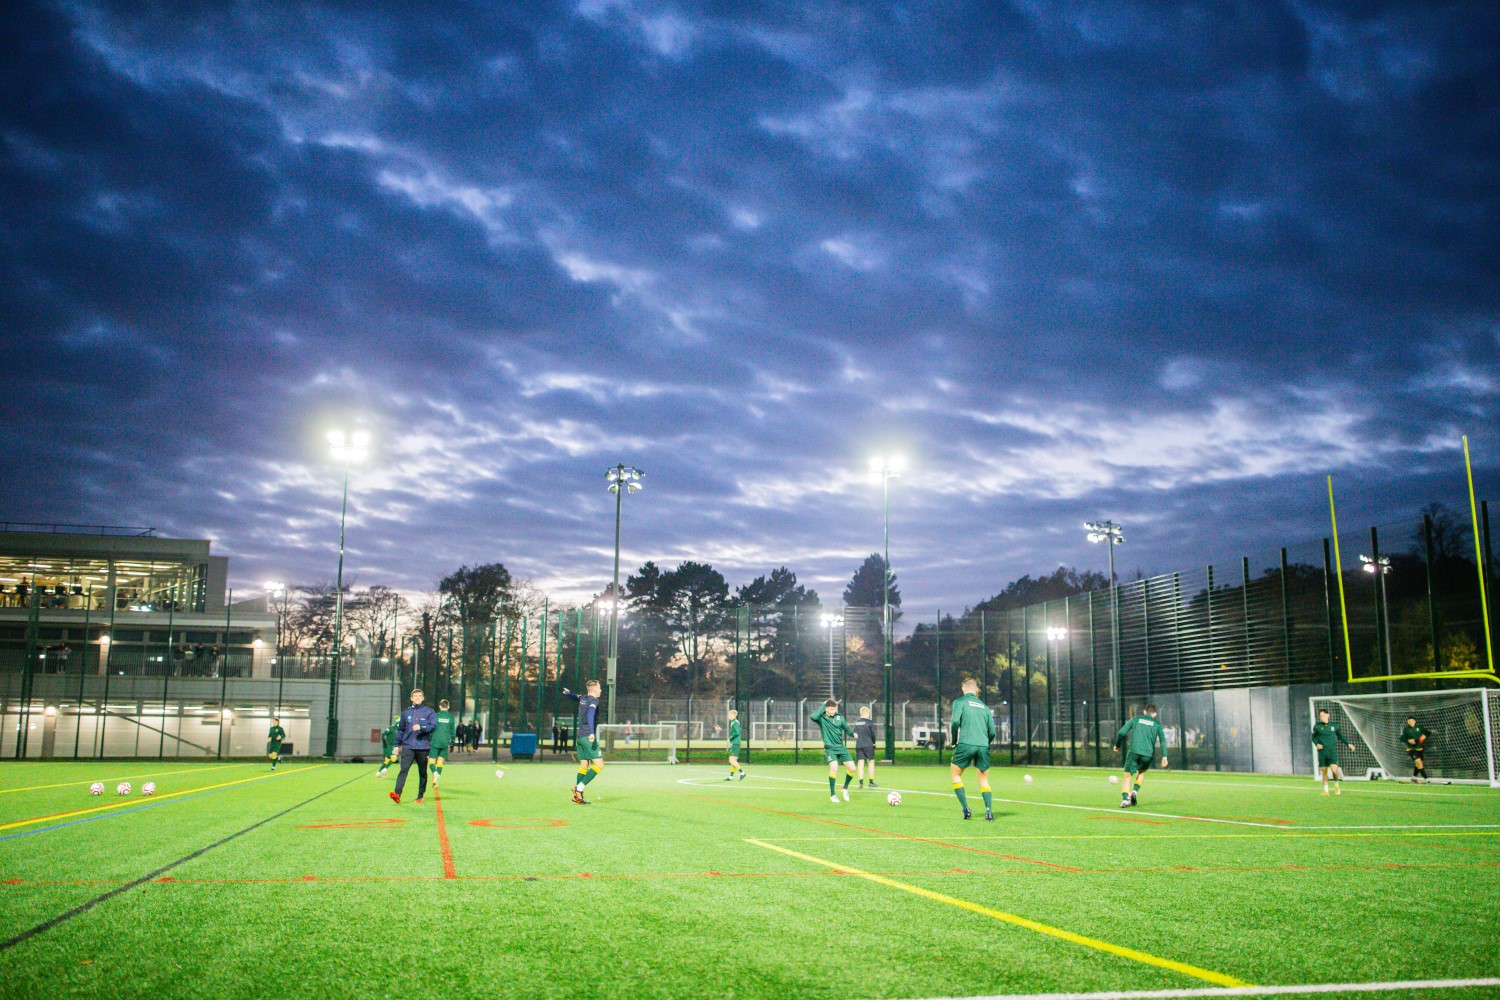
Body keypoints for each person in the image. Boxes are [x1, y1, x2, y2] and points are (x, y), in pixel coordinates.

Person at [950, 679, 997, 820]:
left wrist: (954, 741)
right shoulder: (985, 707)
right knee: (984, 779)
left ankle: (966, 809)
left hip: (966, 743)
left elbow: (955, 722)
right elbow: (992, 732)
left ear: (963, 688)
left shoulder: (960, 702)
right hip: (983, 745)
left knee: (956, 774)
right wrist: (984, 743)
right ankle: (989, 812)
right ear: (977, 690)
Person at [1115, 704, 1167, 809]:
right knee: (1141, 772)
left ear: (1144, 711)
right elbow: (1162, 741)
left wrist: (1117, 745)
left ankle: (1125, 800)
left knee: (1127, 776)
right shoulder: (1157, 724)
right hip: (1147, 754)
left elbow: (1121, 732)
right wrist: (1164, 756)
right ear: (1155, 714)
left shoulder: (1135, 720)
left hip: (1134, 752)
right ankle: (1134, 791)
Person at [390, 689, 436, 805]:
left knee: (422, 772)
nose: (417, 698)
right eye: (415, 696)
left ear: (423, 698)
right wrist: (396, 745)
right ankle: (397, 794)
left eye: (420, 696)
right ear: (411, 698)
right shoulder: (406, 713)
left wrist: (421, 727)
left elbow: (433, 726)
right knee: (403, 770)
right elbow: (400, 730)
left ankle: (420, 795)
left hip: (423, 747)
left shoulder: (429, 711)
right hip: (408, 747)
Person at [563, 680, 604, 804]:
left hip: (580, 736)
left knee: (584, 766)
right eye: (600, 688)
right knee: (599, 765)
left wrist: (567, 693)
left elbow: (575, 696)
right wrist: (592, 732)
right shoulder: (594, 701)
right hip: (587, 736)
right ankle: (578, 788)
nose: (601, 690)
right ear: (595, 689)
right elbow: (590, 715)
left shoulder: (583, 698)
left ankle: (577, 797)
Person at [810, 699, 857, 803]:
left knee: (852, 768)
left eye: (834, 709)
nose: (833, 711)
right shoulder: (822, 718)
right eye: (831, 709)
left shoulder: (840, 717)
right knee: (834, 768)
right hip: (830, 748)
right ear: (826, 708)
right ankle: (833, 795)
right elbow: (813, 716)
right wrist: (823, 705)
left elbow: (847, 729)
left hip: (840, 747)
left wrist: (853, 734)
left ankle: (845, 788)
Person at [1312, 708, 1357, 796]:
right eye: (1321, 716)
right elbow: (1313, 737)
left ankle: (1336, 785)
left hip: (1332, 751)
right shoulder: (1317, 726)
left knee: (1334, 770)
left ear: (1328, 715)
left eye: (1324, 715)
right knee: (1324, 770)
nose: (1322, 717)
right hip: (1322, 752)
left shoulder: (1334, 726)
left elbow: (1340, 736)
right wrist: (1317, 744)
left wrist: (1348, 744)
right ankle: (1326, 791)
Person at [430, 699, 457, 785]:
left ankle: (435, 772)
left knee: (431, 761)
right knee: (440, 761)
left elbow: (431, 729)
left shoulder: (435, 716)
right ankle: (435, 780)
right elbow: (453, 732)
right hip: (445, 742)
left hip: (435, 741)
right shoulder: (451, 718)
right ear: (448, 707)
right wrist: (451, 743)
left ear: (440, 706)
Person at [852, 706, 878, 788]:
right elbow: (873, 734)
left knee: (860, 763)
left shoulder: (857, 722)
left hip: (859, 745)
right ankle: (871, 782)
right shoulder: (869, 722)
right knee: (871, 762)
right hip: (868, 745)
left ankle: (861, 783)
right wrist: (874, 743)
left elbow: (855, 734)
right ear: (866, 713)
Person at [1401, 715, 1430, 783]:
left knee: (1418, 764)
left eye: (1412, 721)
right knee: (1419, 763)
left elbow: (1428, 732)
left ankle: (1413, 778)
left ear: (1415, 721)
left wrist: (1424, 736)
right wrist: (1408, 740)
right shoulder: (1406, 729)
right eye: (1409, 721)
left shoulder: (1419, 728)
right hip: (1411, 749)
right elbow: (1402, 738)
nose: (1411, 722)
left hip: (1420, 749)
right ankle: (1427, 779)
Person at [725, 708, 746, 781]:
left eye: (729, 714)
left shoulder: (735, 722)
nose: (728, 716)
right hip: (735, 743)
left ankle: (742, 773)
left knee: (732, 760)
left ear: (732, 715)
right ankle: (731, 777)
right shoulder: (733, 722)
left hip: (735, 743)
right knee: (733, 760)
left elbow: (737, 732)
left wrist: (730, 738)